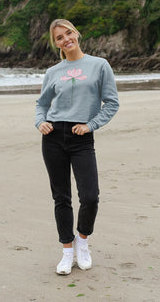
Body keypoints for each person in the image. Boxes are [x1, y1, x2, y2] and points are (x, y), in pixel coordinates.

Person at [35, 19, 119, 275]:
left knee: (90, 196)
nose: (65, 39)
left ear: (76, 33)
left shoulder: (99, 65)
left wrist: (91, 124)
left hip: (81, 137)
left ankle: (83, 242)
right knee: (61, 198)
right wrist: (40, 122)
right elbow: (41, 104)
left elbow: (112, 103)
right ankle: (67, 251)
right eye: (59, 38)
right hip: (53, 137)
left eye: (68, 33)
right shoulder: (53, 72)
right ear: (56, 44)